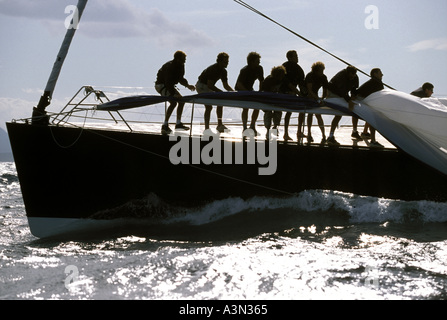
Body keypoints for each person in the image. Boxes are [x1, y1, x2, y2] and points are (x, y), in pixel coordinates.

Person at [155, 50, 196, 135]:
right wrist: (173, 94)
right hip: (161, 85)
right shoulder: (170, 66)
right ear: (177, 59)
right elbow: (168, 82)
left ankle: (178, 124)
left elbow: (180, 78)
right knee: (173, 103)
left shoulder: (181, 66)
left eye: (185, 59)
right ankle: (165, 126)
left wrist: (188, 85)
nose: (185, 61)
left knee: (181, 101)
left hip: (169, 85)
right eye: (183, 59)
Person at [196, 52, 234, 133]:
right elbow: (210, 85)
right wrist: (220, 92)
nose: (227, 63)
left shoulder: (224, 71)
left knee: (220, 102)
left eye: (227, 62)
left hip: (209, 87)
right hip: (201, 86)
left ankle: (219, 125)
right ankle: (206, 128)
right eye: (225, 62)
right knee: (209, 107)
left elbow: (225, 85)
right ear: (219, 61)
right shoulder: (213, 69)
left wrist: (233, 92)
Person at [327, 65, 359, 146]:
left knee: (342, 111)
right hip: (333, 93)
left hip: (342, 94)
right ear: (347, 73)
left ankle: (354, 131)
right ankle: (331, 136)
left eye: (354, 76)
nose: (352, 77)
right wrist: (349, 101)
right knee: (339, 113)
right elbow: (342, 91)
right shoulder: (341, 76)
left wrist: (353, 96)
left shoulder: (355, 77)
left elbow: (354, 89)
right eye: (351, 76)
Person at [235, 52, 264, 135]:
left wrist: (260, 91)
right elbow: (239, 84)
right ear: (251, 62)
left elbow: (261, 80)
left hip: (250, 89)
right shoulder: (244, 70)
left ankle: (252, 125)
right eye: (257, 61)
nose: (259, 62)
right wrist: (248, 93)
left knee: (257, 105)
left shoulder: (259, 68)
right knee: (246, 107)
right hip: (241, 89)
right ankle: (244, 127)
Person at [280, 50, 306, 141]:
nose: (297, 57)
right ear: (290, 57)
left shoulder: (299, 69)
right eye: (295, 56)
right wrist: (298, 93)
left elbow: (301, 83)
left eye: (297, 56)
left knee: (302, 109)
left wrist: (304, 94)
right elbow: (287, 83)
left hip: (293, 92)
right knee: (288, 111)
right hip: (283, 92)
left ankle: (299, 131)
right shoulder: (285, 67)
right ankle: (285, 133)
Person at [356, 68, 385, 148]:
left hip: (364, 99)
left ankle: (365, 133)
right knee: (372, 117)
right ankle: (373, 140)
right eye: (380, 73)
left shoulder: (376, 82)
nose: (382, 74)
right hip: (361, 99)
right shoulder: (375, 82)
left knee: (371, 116)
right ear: (375, 74)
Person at [304, 61, 328, 144]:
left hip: (316, 96)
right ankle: (309, 134)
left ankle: (324, 135)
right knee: (310, 114)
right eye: (321, 71)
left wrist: (322, 98)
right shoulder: (310, 76)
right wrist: (317, 99)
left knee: (318, 115)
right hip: (308, 96)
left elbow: (325, 90)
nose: (322, 73)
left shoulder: (323, 77)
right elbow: (309, 90)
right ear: (316, 70)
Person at [261, 66, 287, 138]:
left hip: (277, 99)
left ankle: (275, 127)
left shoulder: (283, 80)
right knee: (268, 113)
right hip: (267, 99)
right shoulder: (268, 80)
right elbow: (264, 91)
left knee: (278, 112)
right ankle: (268, 130)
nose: (281, 77)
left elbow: (283, 90)